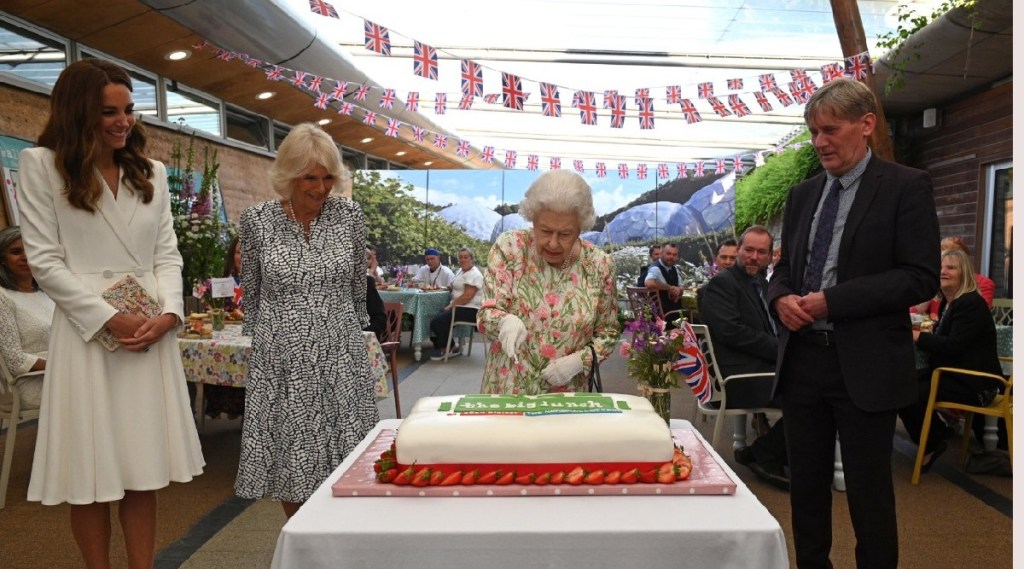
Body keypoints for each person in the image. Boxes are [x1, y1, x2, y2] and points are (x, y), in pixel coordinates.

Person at [16, 58, 204, 569]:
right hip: (87, 336)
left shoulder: (153, 172)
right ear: (79, 112)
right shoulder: (41, 165)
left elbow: (167, 255)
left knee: (143, 468)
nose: (123, 121)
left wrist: (168, 316)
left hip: (149, 333)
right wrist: (105, 318)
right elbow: (45, 261)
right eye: (108, 111)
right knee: (90, 474)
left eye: (128, 110)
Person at [766, 77, 939, 569]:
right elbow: (783, 271)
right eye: (813, 132)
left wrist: (832, 302)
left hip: (865, 363)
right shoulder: (802, 196)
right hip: (802, 361)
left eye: (830, 129)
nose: (819, 141)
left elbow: (920, 277)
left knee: (869, 495)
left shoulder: (906, 187)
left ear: (866, 125)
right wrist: (780, 299)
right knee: (806, 492)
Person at [234, 122, 379, 519]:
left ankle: (345, 541)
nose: (319, 187)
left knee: (347, 453)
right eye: (308, 178)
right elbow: (253, 292)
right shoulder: (257, 221)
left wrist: (348, 338)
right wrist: (269, 347)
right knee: (291, 456)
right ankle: (303, 540)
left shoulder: (349, 216)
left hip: (340, 353)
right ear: (288, 176)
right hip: (282, 357)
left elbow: (355, 289)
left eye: (327, 176)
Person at [478, 170, 618, 395]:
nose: (552, 243)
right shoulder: (510, 248)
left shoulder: (599, 265)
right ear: (532, 219)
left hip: (567, 394)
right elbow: (486, 314)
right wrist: (504, 322)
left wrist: (579, 361)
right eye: (544, 231)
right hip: (508, 388)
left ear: (580, 228)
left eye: (565, 234)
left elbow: (608, 333)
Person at [699, 225, 788, 490]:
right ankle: (766, 454)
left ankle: (760, 452)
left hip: (761, 367)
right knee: (813, 395)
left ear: (771, 256)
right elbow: (732, 332)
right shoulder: (721, 285)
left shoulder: (760, 283)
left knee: (818, 383)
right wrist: (781, 349)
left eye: (762, 252)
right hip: (739, 378)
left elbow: (772, 324)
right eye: (749, 250)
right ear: (738, 250)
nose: (754, 257)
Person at [898, 248, 1004, 469]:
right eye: (941, 268)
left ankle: (933, 441)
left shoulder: (970, 303)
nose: (943, 272)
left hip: (977, 384)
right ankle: (937, 434)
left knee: (907, 393)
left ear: (964, 273)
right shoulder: (950, 303)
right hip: (956, 376)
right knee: (905, 386)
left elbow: (955, 346)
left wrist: (917, 336)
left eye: (951, 268)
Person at [0, 226, 54, 409]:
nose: (26, 257)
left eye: (30, 250)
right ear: (2, 260)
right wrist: (62, 365)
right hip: (35, 382)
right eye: (16, 252)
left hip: (63, 372)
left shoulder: (47, 293)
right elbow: (15, 360)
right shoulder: (3, 297)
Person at [203, 235, 245, 420]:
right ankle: (219, 405)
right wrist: (213, 307)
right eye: (238, 252)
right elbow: (213, 307)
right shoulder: (223, 283)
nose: (243, 256)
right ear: (232, 255)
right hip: (225, 339)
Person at [913, 236, 996, 318]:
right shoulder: (938, 283)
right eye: (940, 264)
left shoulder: (982, 285)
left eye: (950, 266)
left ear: (964, 262)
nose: (943, 271)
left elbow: (978, 316)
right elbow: (913, 314)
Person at [429, 247, 484, 360]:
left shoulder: (474, 274)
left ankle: (446, 349)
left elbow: (467, 296)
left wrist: (451, 305)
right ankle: (452, 347)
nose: (462, 260)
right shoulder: (461, 271)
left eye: (465, 257)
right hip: (460, 307)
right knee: (434, 318)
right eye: (460, 257)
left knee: (439, 320)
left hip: (471, 309)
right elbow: (455, 286)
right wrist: (446, 288)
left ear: (471, 259)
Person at [643, 242, 684, 324]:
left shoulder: (674, 269)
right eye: (668, 254)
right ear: (661, 254)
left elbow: (681, 287)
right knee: (696, 319)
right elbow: (649, 283)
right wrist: (669, 288)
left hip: (672, 313)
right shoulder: (655, 268)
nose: (671, 257)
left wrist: (678, 290)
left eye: (674, 255)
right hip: (662, 317)